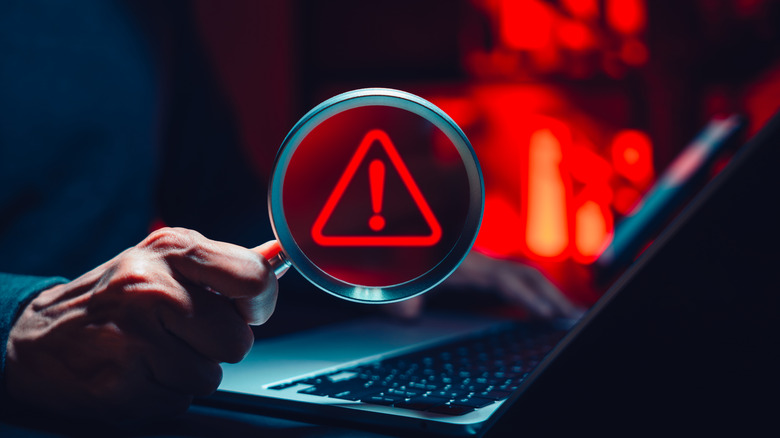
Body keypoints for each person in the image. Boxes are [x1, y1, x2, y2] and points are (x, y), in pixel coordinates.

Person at [0, 0, 578, 422]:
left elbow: (219, 208)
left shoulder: (150, 14)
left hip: (147, 395)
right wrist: (19, 324)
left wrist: (360, 264)